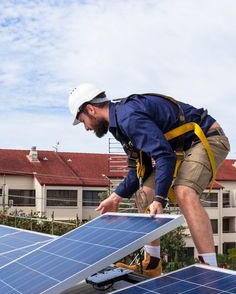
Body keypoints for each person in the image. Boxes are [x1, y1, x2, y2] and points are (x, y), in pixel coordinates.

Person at [68, 83, 230, 276]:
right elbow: (139, 170)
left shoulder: (128, 117)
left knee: (183, 191)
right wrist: (115, 197)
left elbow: (164, 156)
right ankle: (152, 264)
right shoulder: (118, 124)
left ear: (90, 109)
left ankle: (210, 271)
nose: (86, 128)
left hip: (207, 138)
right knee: (145, 193)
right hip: (180, 148)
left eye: (83, 120)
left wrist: (159, 199)